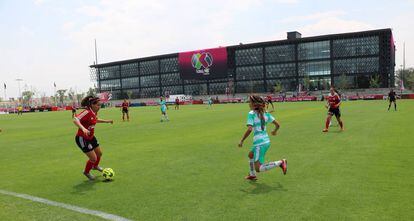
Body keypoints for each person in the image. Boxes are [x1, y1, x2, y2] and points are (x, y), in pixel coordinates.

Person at [238, 95, 287, 181]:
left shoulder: (251, 114)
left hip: (259, 143)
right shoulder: (266, 113)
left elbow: (249, 129)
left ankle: (280, 162)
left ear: (254, 104)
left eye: (250, 102)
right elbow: (278, 125)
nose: (248, 104)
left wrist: (241, 140)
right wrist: (274, 131)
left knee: (259, 168)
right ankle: (252, 174)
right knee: (251, 155)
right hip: (266, 141)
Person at [73, 96, 113, 180]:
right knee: (93, 158)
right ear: (92, 105)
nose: (99, 107)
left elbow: (95, 120)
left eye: (100, 105)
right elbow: (75, 119)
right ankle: (86, 172)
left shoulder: (94, 112)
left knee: (99, 154)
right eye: (98, 105)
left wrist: (107, 121)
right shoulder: (87, 112)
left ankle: (95, 166)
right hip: (82, 138)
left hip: (91, 137)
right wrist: (83, 128)